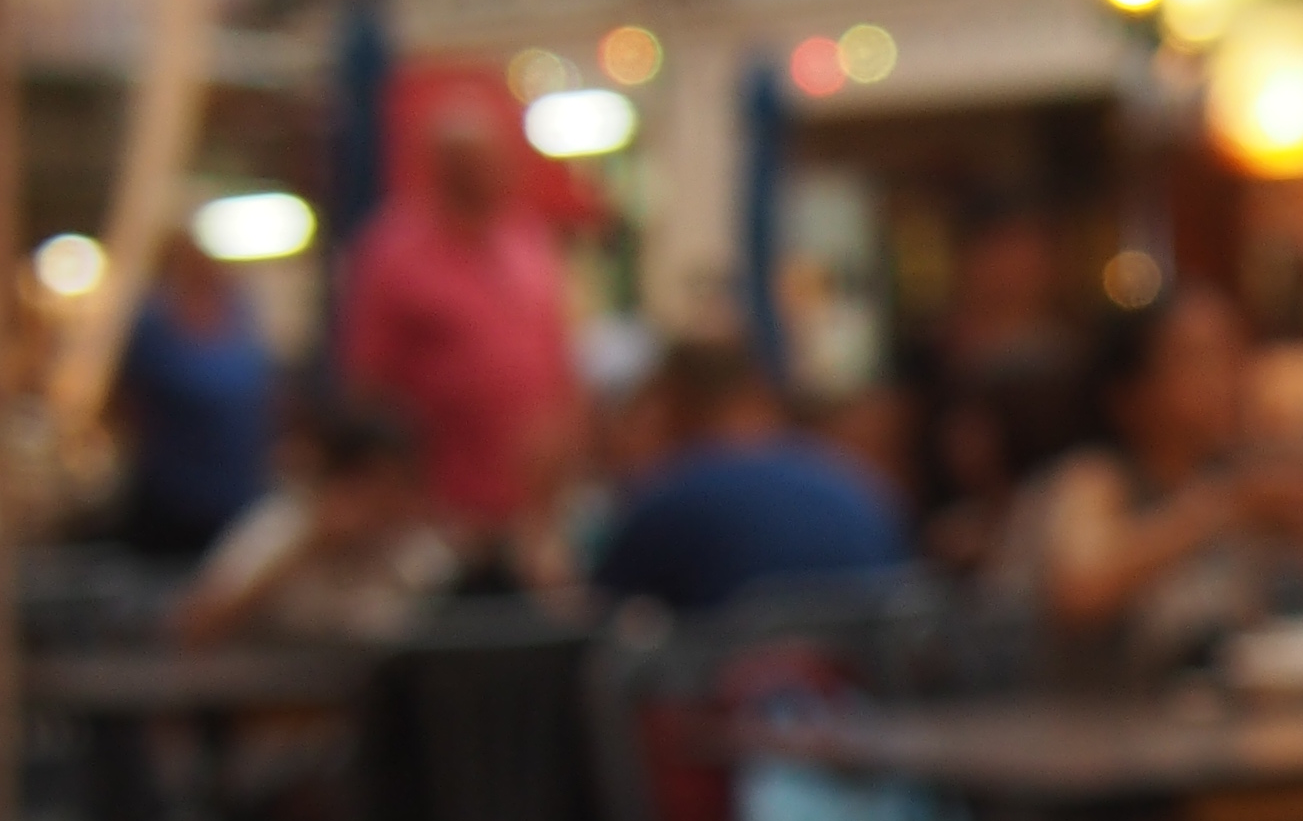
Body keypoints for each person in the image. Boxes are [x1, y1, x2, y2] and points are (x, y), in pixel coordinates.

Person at [994, 283, 1303, 682]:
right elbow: (1081, 589)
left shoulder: (1233, 473)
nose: (1226, 379)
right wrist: (1222, 506)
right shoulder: (1093, 478)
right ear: (1129, 392)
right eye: (1198, 359)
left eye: (1234, 354)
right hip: (1092, 718)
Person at [339, 72, 581, 554]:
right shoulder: (391, 253)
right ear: (440, 166)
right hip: (436, 511)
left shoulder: (528, 240)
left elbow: (558, 358)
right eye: (471, 162)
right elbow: (367, 387)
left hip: (529, 507)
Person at [590, 338, 911, 611]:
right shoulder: (861, 487)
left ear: (674, 409)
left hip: (733, 665)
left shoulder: (670, 500)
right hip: (874, 665)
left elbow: (595, 622)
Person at [176, 393, 456, 643]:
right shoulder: (281, 526)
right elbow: (191, 632)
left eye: (398, 487)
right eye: (372, 485)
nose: (385, 502)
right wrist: (308, 549)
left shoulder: (417, 548)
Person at [110, 231, 277, 560]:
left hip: (239, 487)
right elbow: (126, 402)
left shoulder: (241, 313)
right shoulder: (152, 323)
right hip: (172, 494)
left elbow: (267, 392)